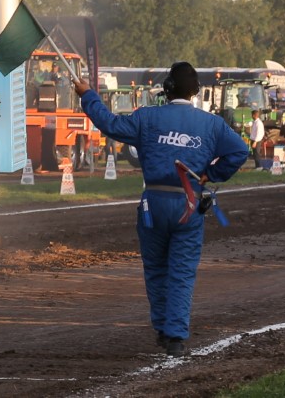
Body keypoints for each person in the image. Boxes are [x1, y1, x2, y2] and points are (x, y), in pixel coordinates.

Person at [74, 61, 247, 358]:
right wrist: (211, 174)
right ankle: (176, 336)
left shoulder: (147, 117)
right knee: (182, 271)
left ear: (166, 89)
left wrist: (88, 95)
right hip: (188, 204)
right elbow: (240, 151)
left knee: (155, 269)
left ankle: (162, 329)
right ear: (195, 91)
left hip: (153, 203)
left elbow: (109, 124)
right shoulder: (212, 124)